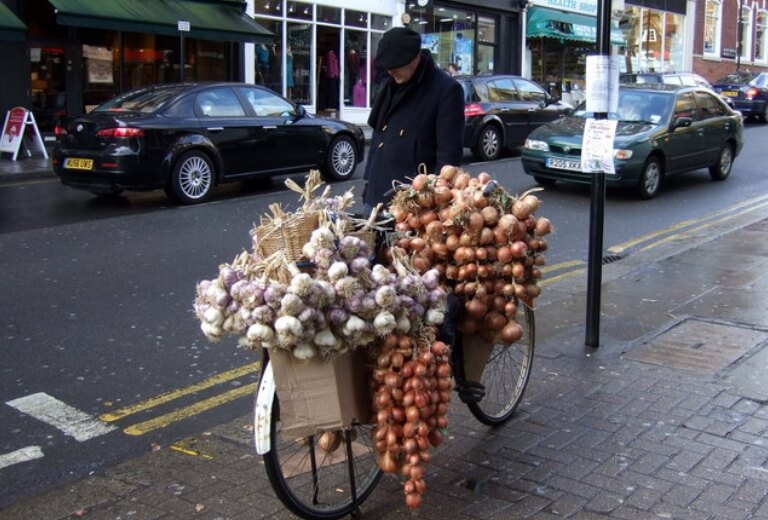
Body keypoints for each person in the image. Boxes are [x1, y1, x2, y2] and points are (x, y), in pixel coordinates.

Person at [363, 27, 465, 213]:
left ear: (414, 57)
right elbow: (379, 136)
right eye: (388, 67)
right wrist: (368, 182)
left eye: (396, 66)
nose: (391, 71)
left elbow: (449, 159)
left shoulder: (446, 90)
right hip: (375, 197)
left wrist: (432, 205)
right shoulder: (389, 85)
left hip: (413, 208)